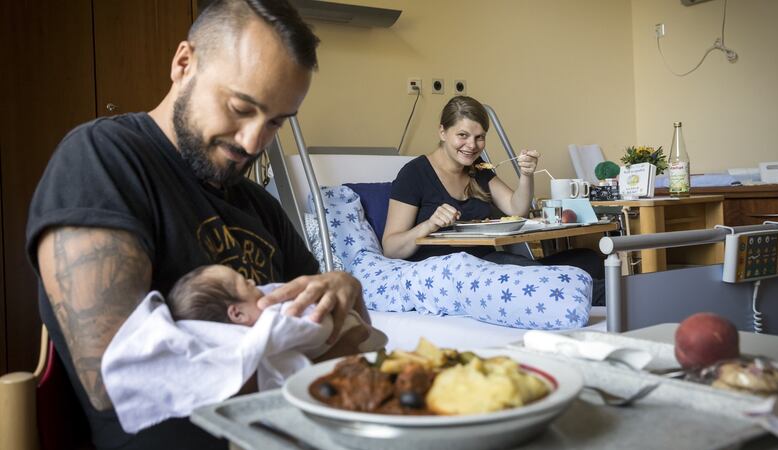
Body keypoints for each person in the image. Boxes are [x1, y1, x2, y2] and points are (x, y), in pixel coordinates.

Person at [26, 1, 365, 448]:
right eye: (241, 107)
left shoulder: (259, 206)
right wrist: (297, 355)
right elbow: (121, 381)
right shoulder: (104, 159)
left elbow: (353, 342)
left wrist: (346, 289)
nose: (253, 141)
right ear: (184, 63)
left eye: (276, 122)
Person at [382, 95, 604, 303]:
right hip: (453, 274)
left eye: (479, 137)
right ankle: (621, 298)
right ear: (442, 132)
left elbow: (517, 210)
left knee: (589, 259)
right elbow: (391, 248)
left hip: (488, 263)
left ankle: (601, 295)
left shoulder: (478, 170)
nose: (472, 145)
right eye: (463, 135)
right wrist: (429, 224)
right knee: (561, 280)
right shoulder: (414, 174)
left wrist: (526, 175)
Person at [165, 264, 387, 359]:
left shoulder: (263, 207)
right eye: (246, 284)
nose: (254, 281)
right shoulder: (272, 326)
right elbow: (316, 328)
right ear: (237, 314)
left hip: (368, 347)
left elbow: (331, 296)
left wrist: (349, 283)